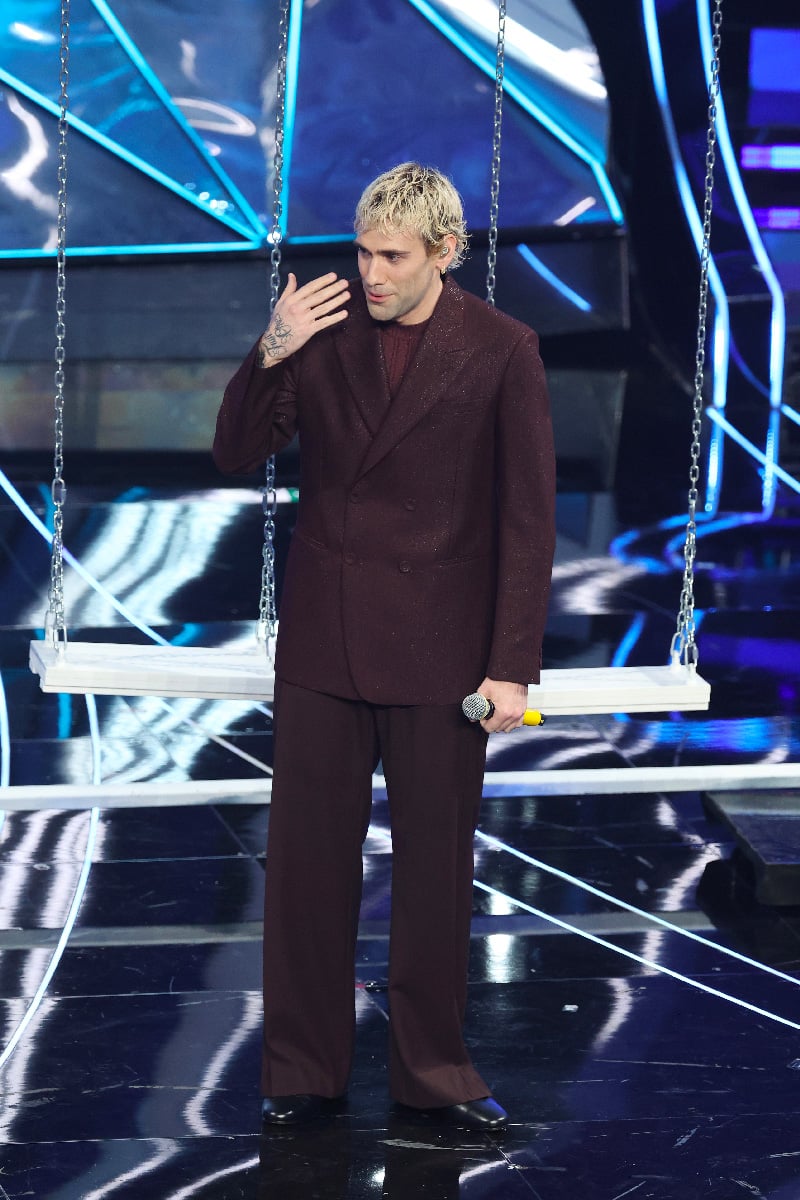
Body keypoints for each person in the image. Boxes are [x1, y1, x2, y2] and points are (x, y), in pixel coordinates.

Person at [213, 162, 556, 1131]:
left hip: (443, 652)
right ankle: (300, 1070)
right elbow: (235, 451)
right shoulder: (320, 335)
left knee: (435, 876)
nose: (369, 273)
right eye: (362, 252)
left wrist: (511, 668)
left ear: (444, 252)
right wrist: (271, 351)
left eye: (392, 257)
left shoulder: (502, 348)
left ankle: (433, 1070)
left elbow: (527, 520)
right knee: (307, 872)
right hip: (325, 642)